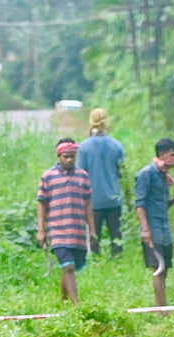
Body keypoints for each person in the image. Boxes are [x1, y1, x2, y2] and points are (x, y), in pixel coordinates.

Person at [37, 138, 95, 305]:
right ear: (59, 156)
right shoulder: (48, 177)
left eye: (72, 156)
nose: (69, 160)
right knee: (68, 266)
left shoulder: (83, 176)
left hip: (77, 231)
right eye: (65, 156)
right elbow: (41, 204)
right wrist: (41, 230)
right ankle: (77, 305)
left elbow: (88, 205)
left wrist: (92, 229)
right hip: (57, 230)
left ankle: (62, 301)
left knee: (70, 267)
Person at [135, 138, 174, 306]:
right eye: (173, 154)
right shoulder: (146, 174)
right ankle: (162, 308)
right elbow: (140, 204)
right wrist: (145, 229)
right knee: (159, 268)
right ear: (162, 154)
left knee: (165, 269)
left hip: (164, 228)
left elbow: (159, 203)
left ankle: (161, 305)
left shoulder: (164, 176)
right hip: (153, 228)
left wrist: (173, 201)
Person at [78, 108, 127, 256]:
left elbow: (81, 175)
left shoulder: (84, 147)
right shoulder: (116, 145)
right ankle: (117, 262)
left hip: (93, 201)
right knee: (116, 236)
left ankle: (96, 262)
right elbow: (122, 174)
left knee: (94, 235)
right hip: (114, 198)